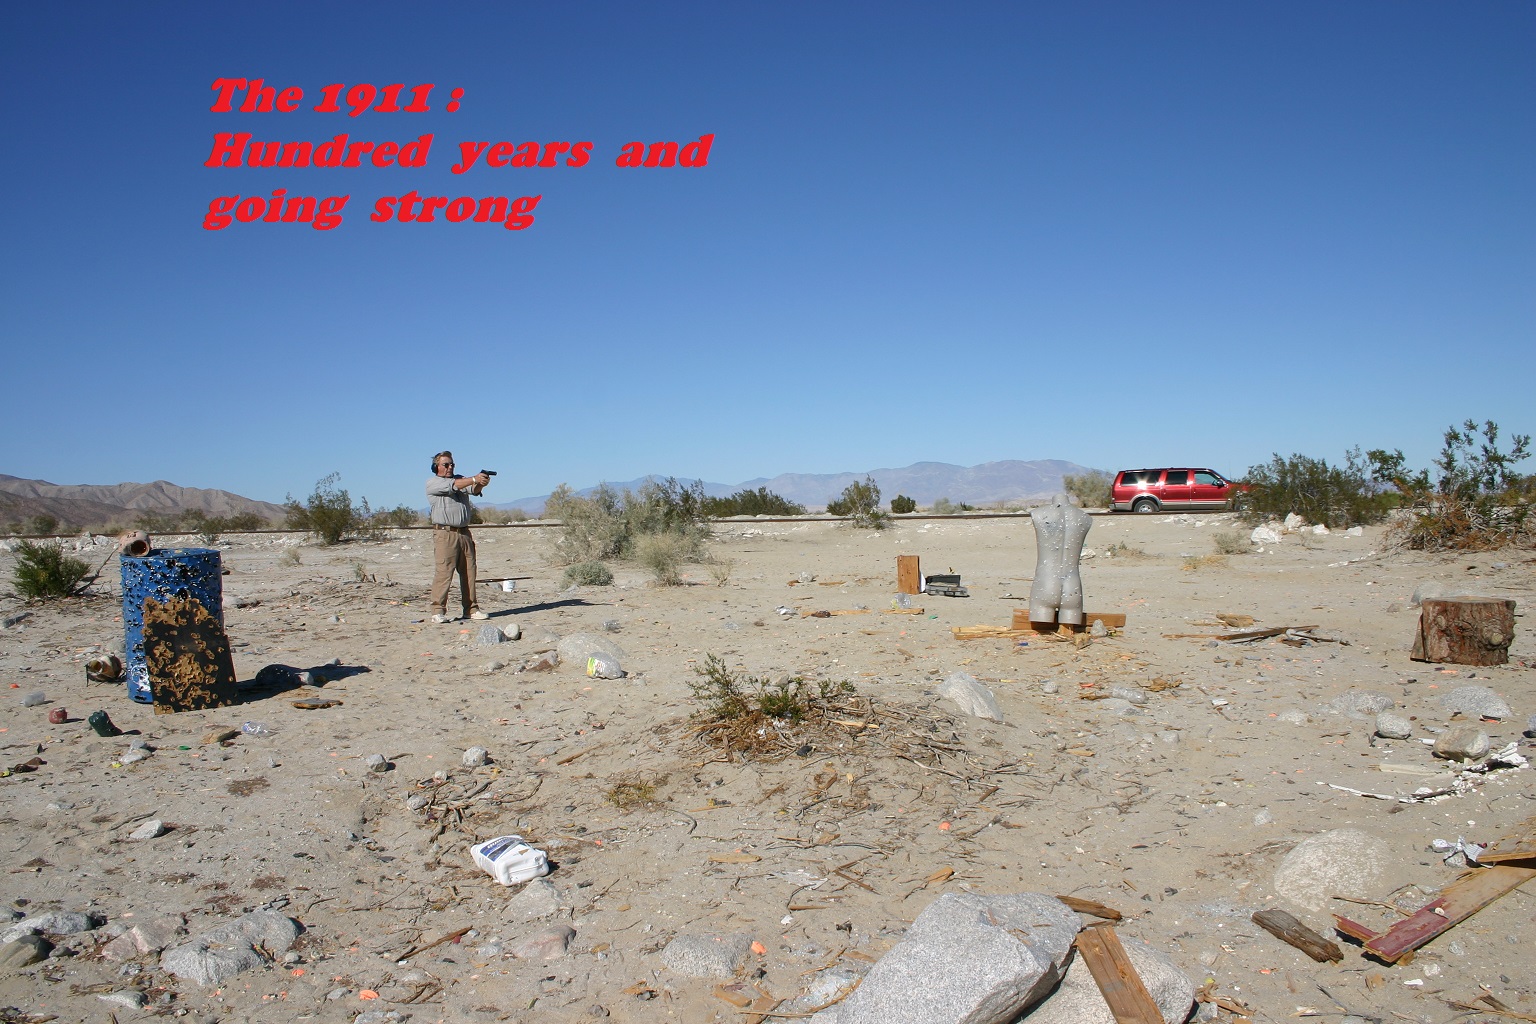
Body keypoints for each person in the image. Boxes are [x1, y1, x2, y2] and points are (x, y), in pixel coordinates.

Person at [425, 451, 491, 623]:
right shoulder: (433, 483)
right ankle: (438, 610)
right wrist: (474, 479)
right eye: (446, 464)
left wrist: (481, 483)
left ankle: (471, 609)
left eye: (452, 464)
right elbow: (455, 485)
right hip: (445, 534)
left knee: (469, 572)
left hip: (464, 533)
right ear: (436, 467)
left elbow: (473, 489)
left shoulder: (461, 480)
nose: (450, 467)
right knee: (444, 572)